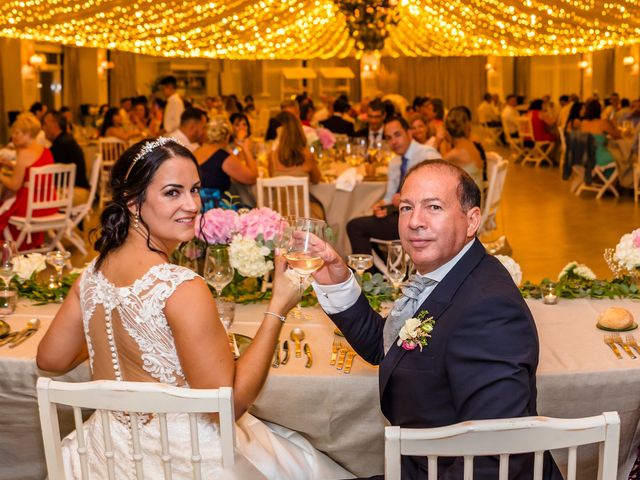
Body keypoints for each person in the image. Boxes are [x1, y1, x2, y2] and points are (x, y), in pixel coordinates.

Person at [36, 137, 353, 480]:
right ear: (133, 202)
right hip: (183, 463)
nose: (192, 204)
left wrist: (126, 327)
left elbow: (50, 359)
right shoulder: (182, 287)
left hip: (103, 460)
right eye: (173, 192)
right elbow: (226, 407)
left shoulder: (93, 273)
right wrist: (278, 306)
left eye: (195, 190)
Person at [305, 159, 562, 480]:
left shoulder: (490, 310)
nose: (415, 222)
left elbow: (497, 456)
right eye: (406, 208)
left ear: (472, 221)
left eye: (434, 207)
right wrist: (339, 284)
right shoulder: (446, 273)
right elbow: (386, 347)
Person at [346, 115, 440, 254]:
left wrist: (404, 199)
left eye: (397, 135)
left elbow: (438, 191)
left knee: (355, 227)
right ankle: (378, 272)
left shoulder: (427, 155)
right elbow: (391, 197)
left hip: (421, 221)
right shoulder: (395, 162)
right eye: (389, 138)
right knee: (359, 222)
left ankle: (370, 273)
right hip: (398, 216)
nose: (393, 142)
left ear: (409, 133)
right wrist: (382, 205)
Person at [0, 113, 58, 249]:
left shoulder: (24, 153)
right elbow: (33, 169)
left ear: (28, 134)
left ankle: (11, 249)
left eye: (17, 133)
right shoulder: (45, 150)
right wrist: (12, 165)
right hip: (48, 204)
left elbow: (15, 185)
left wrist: (1, 176)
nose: (13, 136)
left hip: (30, 207)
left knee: (3, 206)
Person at [194, 116, 258, 211]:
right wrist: (246, 149)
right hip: (213, 208)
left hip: (196, 204)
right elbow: (252, 178)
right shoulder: (221, 156)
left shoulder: (196, 151)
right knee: (252, 212)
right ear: (227, 137)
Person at [42, 110, 90, 206]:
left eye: (45, 124)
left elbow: (47, 172)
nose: (43, 128)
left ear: (54, 125)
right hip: (77, 189)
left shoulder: (61, 144)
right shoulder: (66, 140)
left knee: (37, 197)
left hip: (75, 191)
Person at [443, 106, 485, 200]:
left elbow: (434, 168)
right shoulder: (470, 145)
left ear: (447, 131)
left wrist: (437, 142)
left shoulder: (456, 154)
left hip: (469, 205)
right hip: (476, 198)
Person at [579, 99, 621, 170]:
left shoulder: (583, 123)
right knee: (623, 157)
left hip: (584, 156)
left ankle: (605, 177)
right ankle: (617, 179)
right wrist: (614, 124)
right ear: (599, 111)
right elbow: (618, 136)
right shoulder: (602, 123)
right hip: (598, 157)